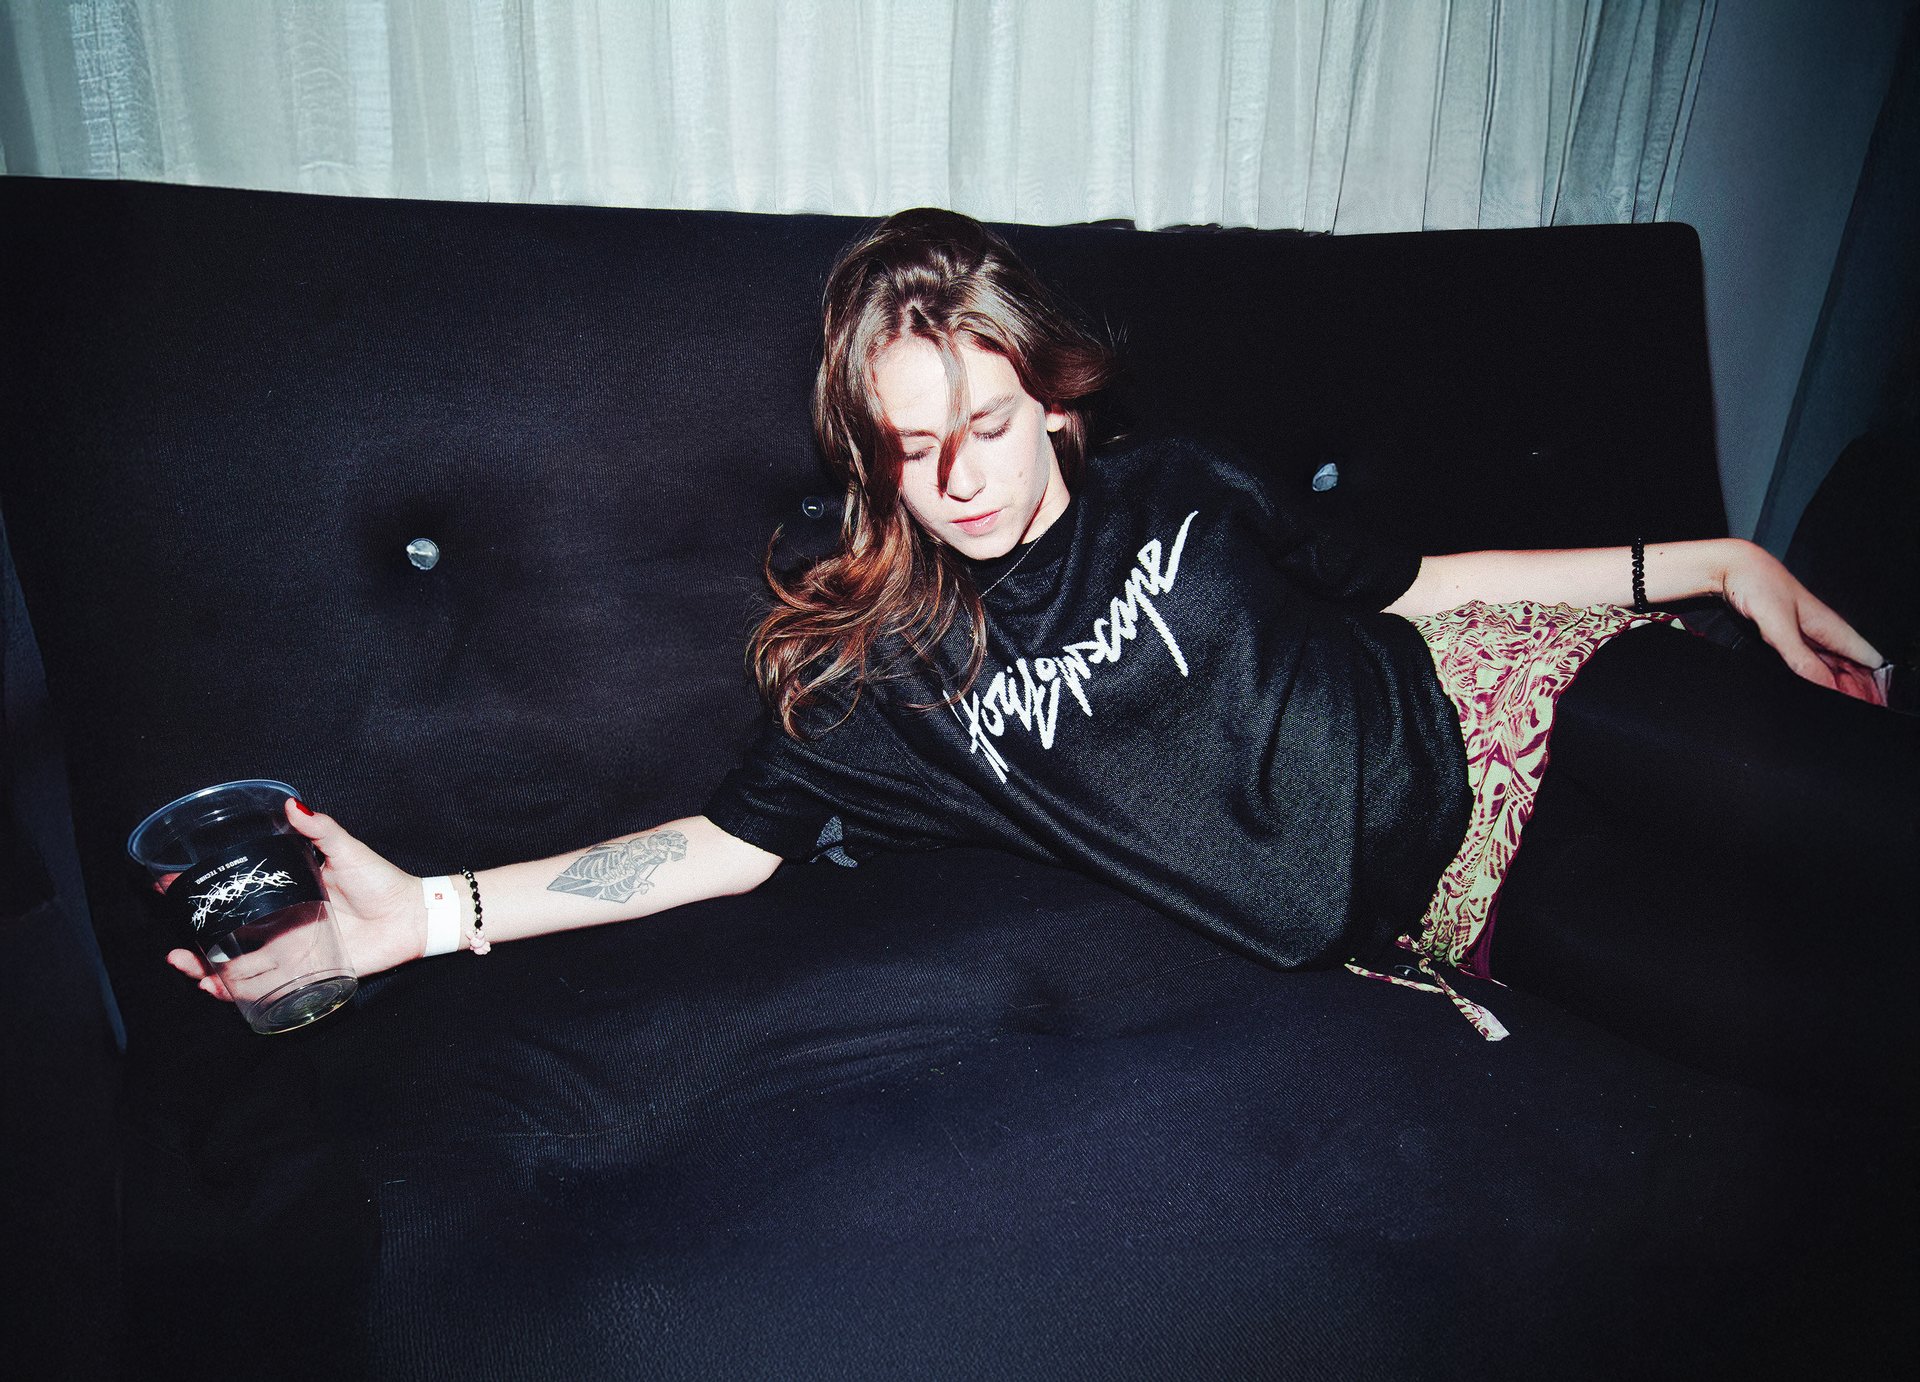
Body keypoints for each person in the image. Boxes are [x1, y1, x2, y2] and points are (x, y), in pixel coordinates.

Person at [166, 209, 1913, 1086]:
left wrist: (1716, 559)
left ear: (1055, 398)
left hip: (1532, 695)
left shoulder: (1182, 483)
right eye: (913, 450)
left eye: (990, 425)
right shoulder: (889, 677)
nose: (963, 481)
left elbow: (1411, 585)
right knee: (1829, 1034)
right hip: (1468, 900)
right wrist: (428, 914)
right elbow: (718, 845)